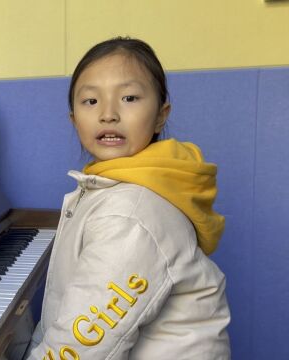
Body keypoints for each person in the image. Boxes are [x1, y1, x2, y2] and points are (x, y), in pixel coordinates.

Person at [25, 37, 231, 359]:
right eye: (91, 101)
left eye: (129, 97)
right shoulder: (113, 186)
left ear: (161, 115)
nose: (108, 114)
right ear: (73, 120)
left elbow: (81, 346)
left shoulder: (132, 215)